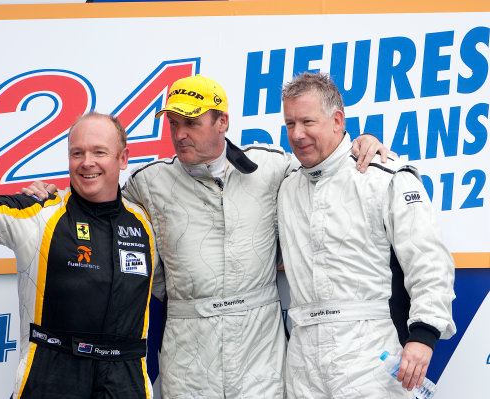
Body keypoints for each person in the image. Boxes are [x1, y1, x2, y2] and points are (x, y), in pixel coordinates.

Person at [23, 75, 392, 398]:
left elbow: (322, 164)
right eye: (173, 123)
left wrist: (361, 141)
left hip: (259, 351)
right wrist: (55, 199)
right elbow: (100, 201)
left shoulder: (272, 165)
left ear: (222, 122)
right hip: (189, 350)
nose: (179, 134)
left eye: (191, 123)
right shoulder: (148, 183)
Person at [0, 110, 163, 399]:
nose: (87, 163)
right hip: (52, 374)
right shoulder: (40, 213)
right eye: (77, 153)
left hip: (126, 380)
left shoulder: (147, 223)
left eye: (99, 152)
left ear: (122, 158)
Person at [277, 72, 456, 398]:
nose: (297, 134)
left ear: (337, 120)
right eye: (290, 124)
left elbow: (429, 261)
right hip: (302, 362)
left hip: (371, 355)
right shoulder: (285, 187)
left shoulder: (383, 176)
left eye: (307, 121)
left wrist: (424, 334)